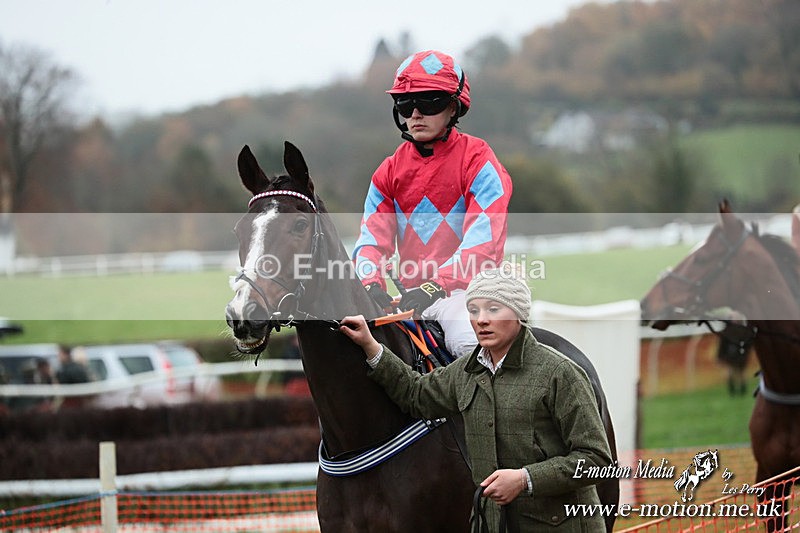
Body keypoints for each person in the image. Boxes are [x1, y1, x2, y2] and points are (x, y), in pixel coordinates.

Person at [339, 264, 612, 532]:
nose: (481, 319)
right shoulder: (464, 371)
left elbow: (596, 459)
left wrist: (524, 480)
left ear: (518, 313)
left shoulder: (561, 374)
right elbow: (415, 395)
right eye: (473, 310)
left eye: (493, 309)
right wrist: (370, 345)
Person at [352, 49, 513, 359]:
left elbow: (484, 241)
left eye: (428, 103)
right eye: (406, 104)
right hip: (410, 299)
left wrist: (436, 285)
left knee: (468, 344)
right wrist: (372, 283)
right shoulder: (387, 172)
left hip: (472, 294)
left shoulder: (478, 160)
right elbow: (371, 240)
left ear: (453, 108)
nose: (415, 114)